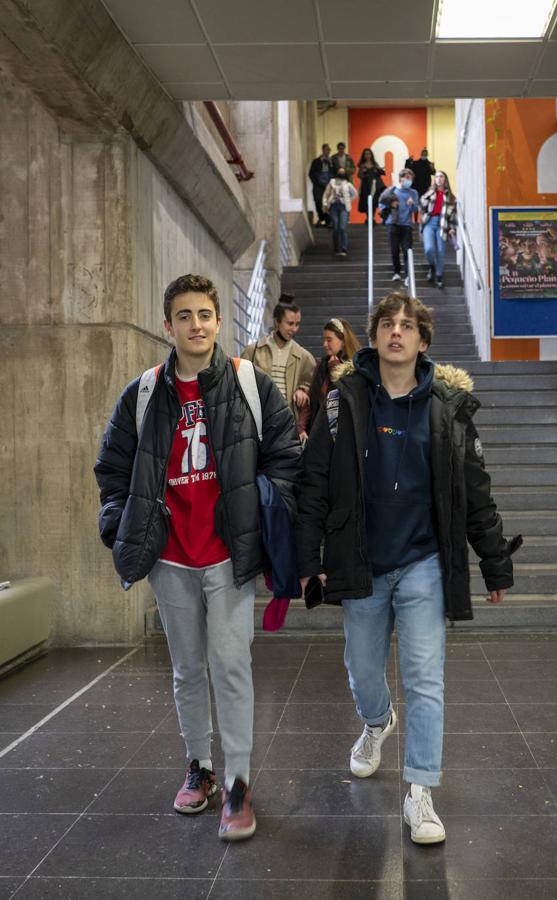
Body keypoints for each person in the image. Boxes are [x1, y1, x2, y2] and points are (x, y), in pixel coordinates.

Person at [296, 292, 516, 845]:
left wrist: (493, 562)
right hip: (362, 560)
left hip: (423, 562)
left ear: (423, 340)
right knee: (363, 670)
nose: (397, 332)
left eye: (408, 325)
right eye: (387, 324)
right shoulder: (342, 402)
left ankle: (420, 793)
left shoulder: (448, 408)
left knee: (424, 678)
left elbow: (475, 492)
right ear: (372, 336)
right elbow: (314, 484)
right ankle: (376, 723)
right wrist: (306, 561)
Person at [94, 274, 302, 842]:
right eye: (184, 316)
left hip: (227, 556)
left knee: (232, 666)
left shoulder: (247, 383)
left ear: (218, 321)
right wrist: (123, 527)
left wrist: (262, 513)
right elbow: (112, 469)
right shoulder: (144, 393)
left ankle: (238, 783)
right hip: (171, 559)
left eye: (205, 314)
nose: (196, 325)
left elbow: (285, 453)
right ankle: (200, 768)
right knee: (187, 669)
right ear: (169, 326)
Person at [241, 297, 316, 421]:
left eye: (297, 324)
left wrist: (303, 390)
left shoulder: (305, 357)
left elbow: (311, 385)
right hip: (259, 419)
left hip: (288, 421)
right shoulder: (253, 351)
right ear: (277, 322)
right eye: (290, 323)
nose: (294, 329)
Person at [297, 317, 360, 442]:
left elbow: (349, 398)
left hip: (343, 437)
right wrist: (301, 428)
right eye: (324, 339)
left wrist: (335, 370)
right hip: (319, 433)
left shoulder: (355, 366)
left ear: (343, 341)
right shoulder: (322, 365)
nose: (324, 344)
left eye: (329, 340)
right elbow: (311, 399)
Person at [379, 170, 419, 284]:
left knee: (407, 251)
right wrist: (391, 204)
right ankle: (396, 272)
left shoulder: (413, 193)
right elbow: (381, 203)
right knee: (394, 249)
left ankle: (408, 275)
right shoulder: (392, 190)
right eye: (407, 177)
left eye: (410, 178)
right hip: (393, 223)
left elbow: (416, 210)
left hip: (407, 225)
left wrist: (412, 204)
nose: (409, 180)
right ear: (401, 178)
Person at [419, 171, 458, 290]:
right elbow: (421, 207)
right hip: (429, 223)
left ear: (445, 180)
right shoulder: (429, 194)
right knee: (429, 249)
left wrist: (452, 228)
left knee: (440, 252)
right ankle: (432, 266)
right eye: (436, 177)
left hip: (443, 225)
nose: (439, 179)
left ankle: (439, 276)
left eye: (441, 176)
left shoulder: (451, 198)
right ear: (434, 180)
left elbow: (453, 216)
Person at [322, 168, 358, 258]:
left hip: (343, 207)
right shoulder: (332, 182)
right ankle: (336, 248)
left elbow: (355, 194)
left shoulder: (348, 184)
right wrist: (325, 204)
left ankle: (343, 248)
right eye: (339, 171)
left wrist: (348, 200)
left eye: (343, 172)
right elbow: (326, 194)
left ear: (345, 173)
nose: (341, 173)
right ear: (337, 173)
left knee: (342, 227)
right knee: (335, 227)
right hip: (333, 206)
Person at [356, 149, 386, 223]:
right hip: (365, 185)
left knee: (374, 201)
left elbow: (381, 173)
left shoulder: (375, 164)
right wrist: (363, 172)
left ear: (371, 155)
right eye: (365, 154)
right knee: (367, 202)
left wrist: (377, 171)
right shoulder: (362, 165)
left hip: (374, 185)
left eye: (369, 154)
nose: (367, 155)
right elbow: (359, 176)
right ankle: (369, 218)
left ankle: (372, 217)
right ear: (363, 156)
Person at [405, 148, 435, 219]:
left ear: (427, 155)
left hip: (425, 186)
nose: (424, 155)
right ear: (421, 154)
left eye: (425, 154)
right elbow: (408, 168)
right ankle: (415, 220)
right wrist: (408, 161)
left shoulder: (429, 164)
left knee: (425, 203)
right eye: (423, 154)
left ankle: (423, 219)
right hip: (416, 186)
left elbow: (433, 173)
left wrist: (432, 168)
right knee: (416, 203)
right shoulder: (416, 163)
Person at [308, 143, 333, 227]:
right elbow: (311, 173)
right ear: (323, 150)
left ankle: (327, 220)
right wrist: (315, 182)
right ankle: (322, 217)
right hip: (318, 185)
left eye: (329, 150)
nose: (328, 151)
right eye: (327, 149)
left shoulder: (331, 161)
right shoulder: (316, 161)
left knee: (327, 202)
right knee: (318, 201)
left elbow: (335, 172)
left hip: (328, 185)